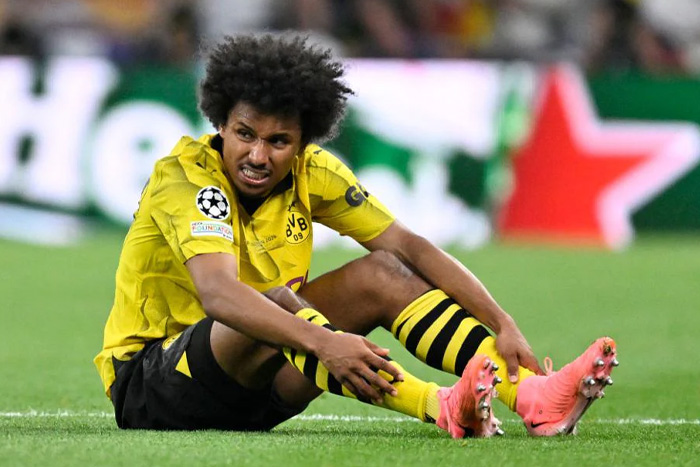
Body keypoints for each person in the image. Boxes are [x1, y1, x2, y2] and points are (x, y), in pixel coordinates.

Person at [94, 33, 618, 437]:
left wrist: (501, 322)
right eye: (244, 134)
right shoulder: (187, 180)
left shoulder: (314, 173)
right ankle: (437, 404)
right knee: (277, 298)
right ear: (221, 124)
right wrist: (326, 342)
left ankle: (534, 398)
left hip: (262, 390)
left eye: (279, 141)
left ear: (303, 142)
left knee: (383, 273)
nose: (257, 155)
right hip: (153, 387)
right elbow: (218, 293)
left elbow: (410, 247)